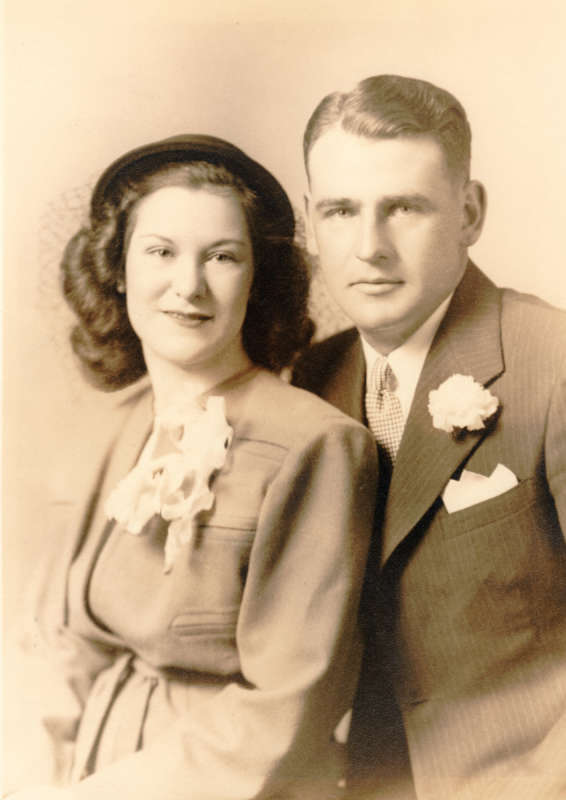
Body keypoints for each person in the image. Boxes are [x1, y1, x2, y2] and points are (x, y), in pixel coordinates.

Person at [10, 134, 378, 800]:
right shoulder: (116, 423)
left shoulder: (315, 444)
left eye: (222, 257)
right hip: (92, 765)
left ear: (256, 280)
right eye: (161, 252)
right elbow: (67, 650)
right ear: (118, 268)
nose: (188, 286)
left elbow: (290, 709)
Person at [293, 75, 566, 799]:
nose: (370, 247)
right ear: (310, 222)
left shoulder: (554, 361)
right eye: (341, 211)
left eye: (404, 208)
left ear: (469, 213)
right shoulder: (313, 377)